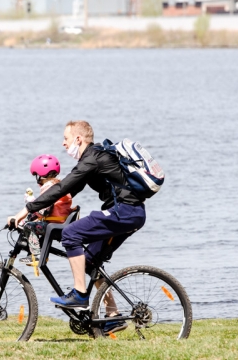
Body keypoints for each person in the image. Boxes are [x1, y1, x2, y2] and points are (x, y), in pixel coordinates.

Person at [8, 120, 146, 316]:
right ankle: (113, 315)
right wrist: (39, 211)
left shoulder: (92, 159)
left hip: (123, 212)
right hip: (129, 213)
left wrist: (25, 210)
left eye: (66, 138)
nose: (64, 143)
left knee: (71, 234)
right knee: (89, 261)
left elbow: (62, 187)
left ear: (78, 139)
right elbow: (70, 190)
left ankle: (80, 295)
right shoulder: (92, 158)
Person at [18, 154, 73, 264]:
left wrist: (27, 219)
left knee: (29, 226)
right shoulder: (58, 185)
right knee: (38, 224)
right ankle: (43, 254)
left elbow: (43, 210)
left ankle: (36, 256)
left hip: (56, 225)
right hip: (62, 222)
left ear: (40, 175)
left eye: (36, 175)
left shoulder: (48, 189)